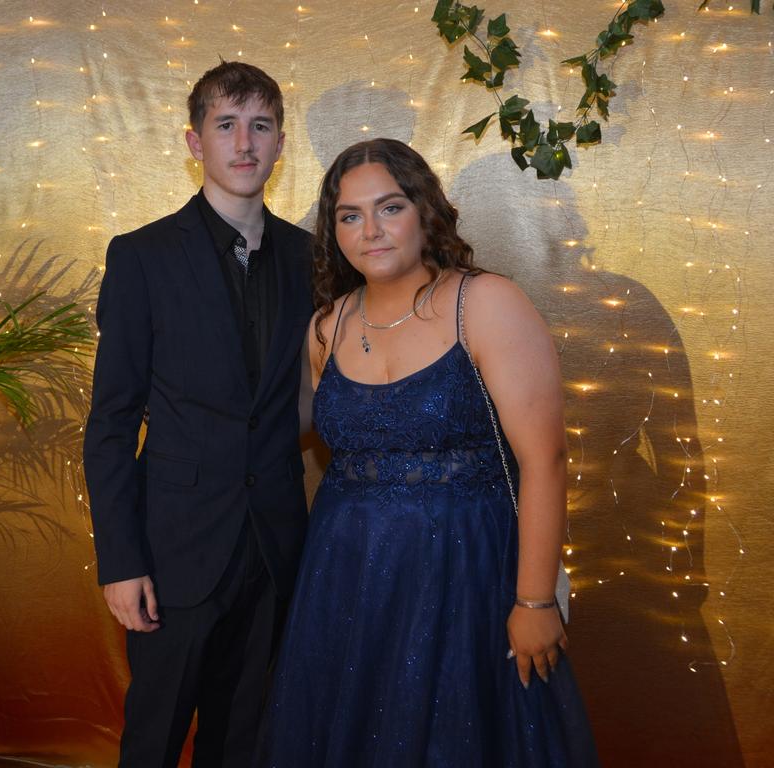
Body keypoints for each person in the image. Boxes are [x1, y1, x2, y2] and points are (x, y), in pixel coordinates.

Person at [256, 138, 598, 766]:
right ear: (334, 233)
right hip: (345, 578)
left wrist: (534, 600)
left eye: (389, 208)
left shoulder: (485, 303)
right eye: (350, 216)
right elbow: (287, 427)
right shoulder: (327, 326)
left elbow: (543, 462)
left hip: (466, 577)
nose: (371, 231)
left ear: (424, 211)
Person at [82, 61, 313, 768]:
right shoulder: (141, 257)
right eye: (226, 125)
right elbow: (112, 421)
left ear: (279, 145)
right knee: (152, 742)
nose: (244, 144)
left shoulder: (313, 258)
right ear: (195, 142)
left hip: (274, 549)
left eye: (261, 126)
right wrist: (120, 563)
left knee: (242, 743)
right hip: (172, 555)